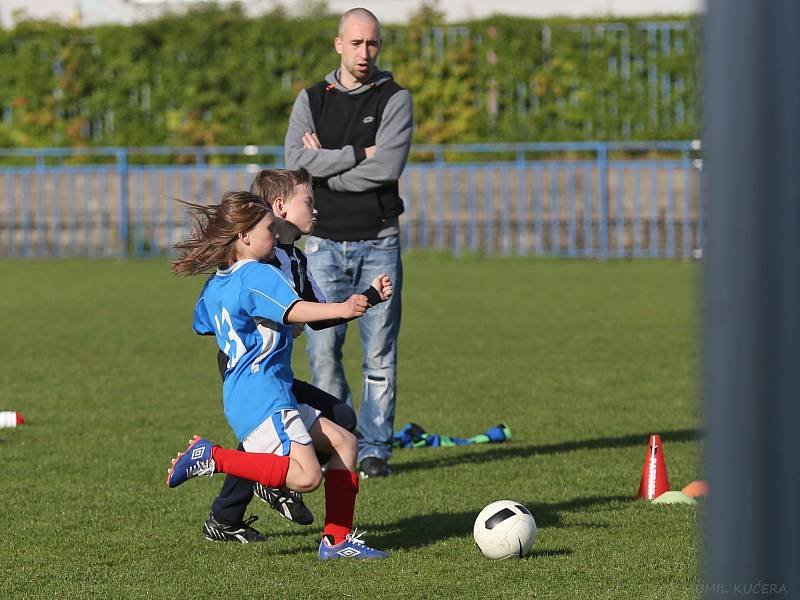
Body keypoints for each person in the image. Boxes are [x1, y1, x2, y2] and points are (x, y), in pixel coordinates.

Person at [168, 191, 391, 559]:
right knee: (306, 478)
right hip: (262, 392)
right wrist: (346, 306)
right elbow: (298, 309)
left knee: (345, 443)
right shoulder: (258, 273)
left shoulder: (216, 284)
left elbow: (202, 324)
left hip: (257, 388)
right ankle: (211, 457)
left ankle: (336, 542)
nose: (275, 235)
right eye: (269, 229)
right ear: (244, 237)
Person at [285, 7, 413, 479]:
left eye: (373, 44)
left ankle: (376, 447)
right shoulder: (312, 99)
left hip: (378, 241)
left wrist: (327, 170)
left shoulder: (395, 98)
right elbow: (297, 162)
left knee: (379, 351)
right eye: (356, 43)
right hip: (321, 245)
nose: (365, 52)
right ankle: (341, 439)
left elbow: (388, 168)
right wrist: (359, 153)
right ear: (339, 44)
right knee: (323, 352)